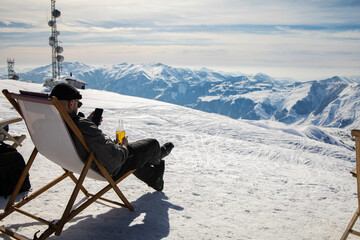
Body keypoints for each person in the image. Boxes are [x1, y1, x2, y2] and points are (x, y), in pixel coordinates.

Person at [50, 83, 174, 191]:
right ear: (71, 103)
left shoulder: (49, 124)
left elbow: (77, 139)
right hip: (106, 168)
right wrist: (123, 146)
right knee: (152, 144)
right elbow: (115, 160)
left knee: (140, 156)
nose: (78, 107)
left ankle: (155, 180)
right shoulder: (82, 126)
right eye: (78, 104)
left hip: (77, 165)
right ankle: (158, 156)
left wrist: (90, 125)